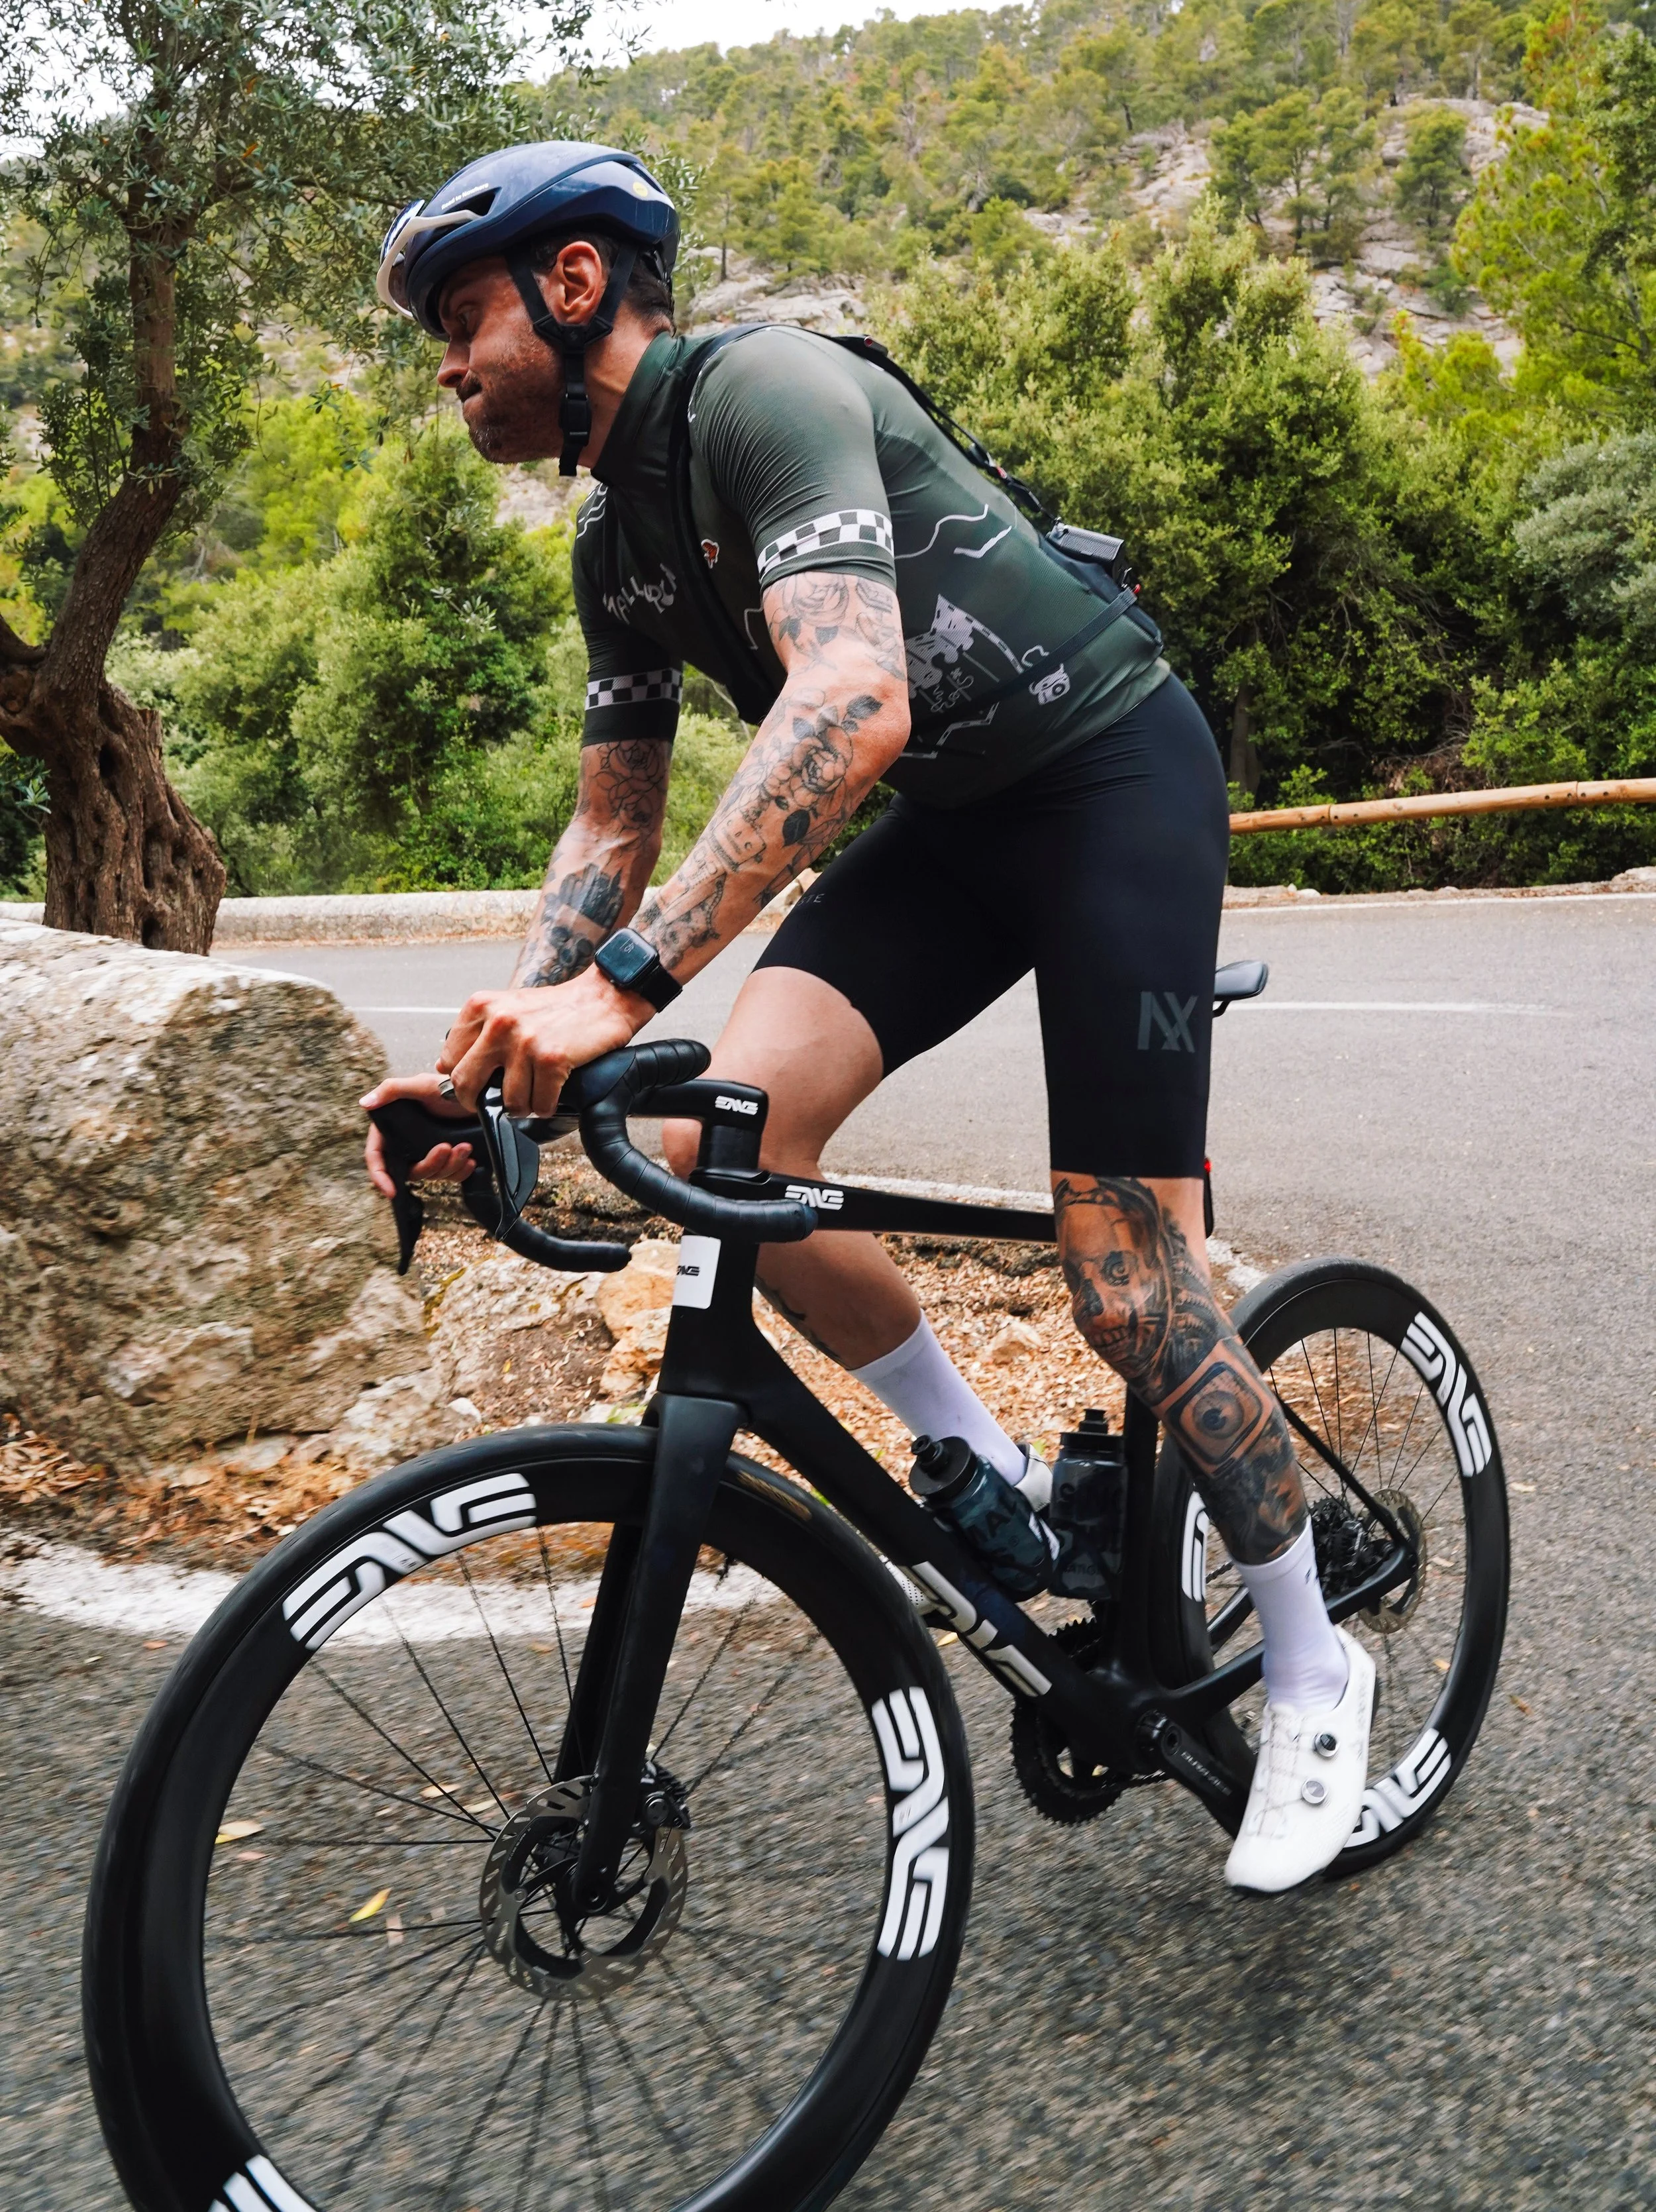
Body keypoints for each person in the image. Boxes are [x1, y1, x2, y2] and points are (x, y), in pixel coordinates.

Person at [361, 140, 1374, 1893]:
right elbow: (608, 829)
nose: (448, 367)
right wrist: (500, 1059)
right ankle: (983, 1467)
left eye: (462, 320)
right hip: (958, 833)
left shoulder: (764, 394)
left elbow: (851, 695)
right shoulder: (616, 541)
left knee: (1128, 1281)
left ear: (574, 284)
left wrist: (621, 985)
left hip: (1113, 778)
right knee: (705, 1143)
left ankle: (1310, 1663)